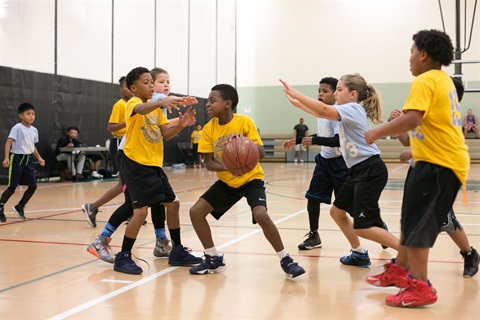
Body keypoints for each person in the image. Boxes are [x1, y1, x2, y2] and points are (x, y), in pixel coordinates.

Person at [364, 29, 470, 308]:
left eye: (411, 51)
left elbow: (412, 118)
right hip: (436, 161)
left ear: (423, 54)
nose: (409, 58)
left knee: (419, 227)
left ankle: (421, 287)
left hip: (440, 164)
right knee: (411, 222)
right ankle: (399, 270)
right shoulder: (442, 80)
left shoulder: (425, 80)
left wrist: (377, 132)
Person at [280, 74, 400, 268]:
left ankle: (407, 253)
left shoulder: (352, 108)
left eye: (339, 89)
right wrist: (298, 104)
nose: (335, 93)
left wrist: (297, 94)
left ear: (353, 94)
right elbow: (321, 113)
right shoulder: (346, 110)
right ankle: (359, 253)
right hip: (358, 170)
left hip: (370, 169)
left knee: (363, 227)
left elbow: (323, 109)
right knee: (337, 212)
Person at [188, 84, 305, 278]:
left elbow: (261, 154)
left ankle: (286, 260)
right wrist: (229, 167)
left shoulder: (244, 122)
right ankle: (212, 258)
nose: (207, 105)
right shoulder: (209, 129)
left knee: (261, 215)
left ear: (228, 104)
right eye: (208, 101)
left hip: (251, 179)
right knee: (195, 212)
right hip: (227, 182)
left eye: (212, 101)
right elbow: (208, 163)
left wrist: (244, 142)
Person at [113, 66, 200, 275]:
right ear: (133, 88)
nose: (151, 86)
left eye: (152, 83)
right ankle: (123, 256)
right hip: (135, 163)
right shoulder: (134, 103)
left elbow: (165, 134)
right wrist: (161, 101)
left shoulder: (157, 110)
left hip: (153, 164)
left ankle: (177, 250)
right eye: (146, 83)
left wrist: (181, 125)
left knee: (173, 203)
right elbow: (142, 110)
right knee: (140, 212)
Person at [281, 77, 349, 250]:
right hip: (324, 162)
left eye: (325, 91)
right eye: (319, 91)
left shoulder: (337, 114)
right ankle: (314, 235)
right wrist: (295, 140)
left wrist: (314, 140)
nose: (320, 94)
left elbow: (337, 141)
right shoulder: (321, 114)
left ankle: (378, 228)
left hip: (341, 164)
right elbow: (319, 131)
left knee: (349, 206)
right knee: (312, 198)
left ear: (335, 94)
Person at [0, 102, 45, 222]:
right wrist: (6, 158)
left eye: (33, 114)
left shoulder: (34, 130)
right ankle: (0, 206)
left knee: (33, 186)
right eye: (28, 114)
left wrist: (39, 157)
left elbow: (32, 146)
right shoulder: (17, 128)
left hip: (28, 159)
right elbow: (8, 142)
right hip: (17, 158)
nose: (31, 116)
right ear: (21, 116)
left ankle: (20, 206)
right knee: (12, 187)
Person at [107, 76, 133, 175]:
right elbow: (110, 128)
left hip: (131, 141)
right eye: (127, 87)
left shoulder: (134, 104)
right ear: (121, 89)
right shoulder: (119, 105)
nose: (131, 90)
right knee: (122, 177)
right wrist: (128, 122)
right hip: (120, 141)